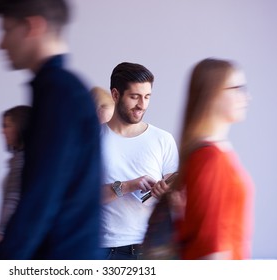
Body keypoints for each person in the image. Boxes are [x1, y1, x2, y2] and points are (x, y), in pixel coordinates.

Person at [0, 0, 102, 259]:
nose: (0, 43)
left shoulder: (58, 91)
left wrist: (3, 260)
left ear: (32, 26)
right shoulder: (63, 89)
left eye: (6, 30)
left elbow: (42, 195)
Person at [176, 58, 254, 260]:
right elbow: (210, 248)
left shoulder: (216, 154)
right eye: (237, 88)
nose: (246, 97)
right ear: (213, 93)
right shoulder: (209, 159)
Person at [100, 62, 179, 260]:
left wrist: (165, 194)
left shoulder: (163, 139)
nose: (142, 105)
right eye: (134, 97)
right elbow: (81, 197)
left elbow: (177, 198)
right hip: (102, 250)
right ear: (116, 95)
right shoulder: (90, 139)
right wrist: (127, 186)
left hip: (151, 249)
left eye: (147, 97)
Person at [0, 105, 31, 259]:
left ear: (20, 127)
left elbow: (13, 199)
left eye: (7, 125)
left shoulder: (22, 160)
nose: (2, 131)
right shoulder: (20, 158)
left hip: (16, 236)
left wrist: (0, 235)